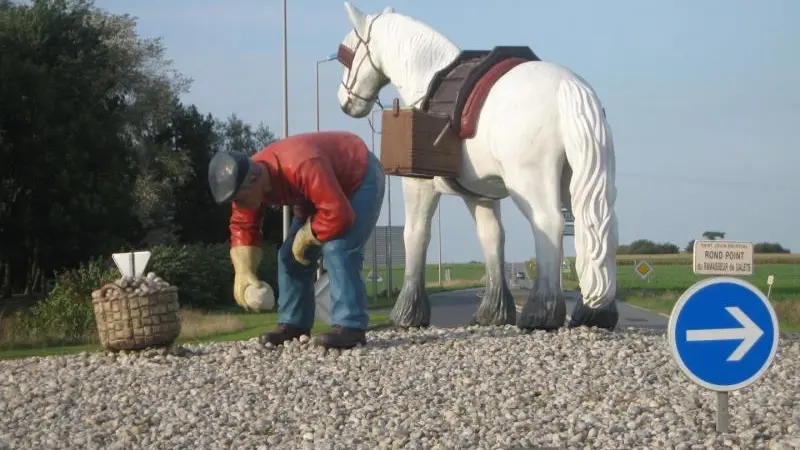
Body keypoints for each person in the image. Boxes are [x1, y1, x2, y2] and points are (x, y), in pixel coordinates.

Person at [207, 131, 385, 349]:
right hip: (317, 193)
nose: (239, 206)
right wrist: (244, 272)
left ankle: (350, 327)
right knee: (288, 256)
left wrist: (306, 237)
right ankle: (294, 324)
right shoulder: (248, 182)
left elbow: (339, 214)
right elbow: (243, 226)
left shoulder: (301, 163)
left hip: (359, 175)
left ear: (254, 178)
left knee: (339, 248)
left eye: (240, 199)